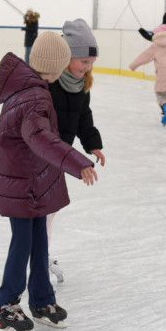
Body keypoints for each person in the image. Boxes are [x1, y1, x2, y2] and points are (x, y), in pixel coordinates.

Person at [0, 32, 97, 331]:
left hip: (32, 179)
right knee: (23, 244)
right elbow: (42, 139)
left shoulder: (31, 87)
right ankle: (5, 308)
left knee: (39, 243)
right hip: (23, 181)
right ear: (56, 65)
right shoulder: (35, 96)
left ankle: (40, 299)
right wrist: (77, 162)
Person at [46, 19, 106, 285]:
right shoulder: (50, 82)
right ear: (67, 56)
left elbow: (83, 115)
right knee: (43, 208)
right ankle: (38, 255)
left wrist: (92, 143)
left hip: (59, 155)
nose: (87, 67)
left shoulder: (82, 85)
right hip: (42, 153)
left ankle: (40, 252)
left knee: (50, 209)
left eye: (91, 62)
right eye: (83, 61)